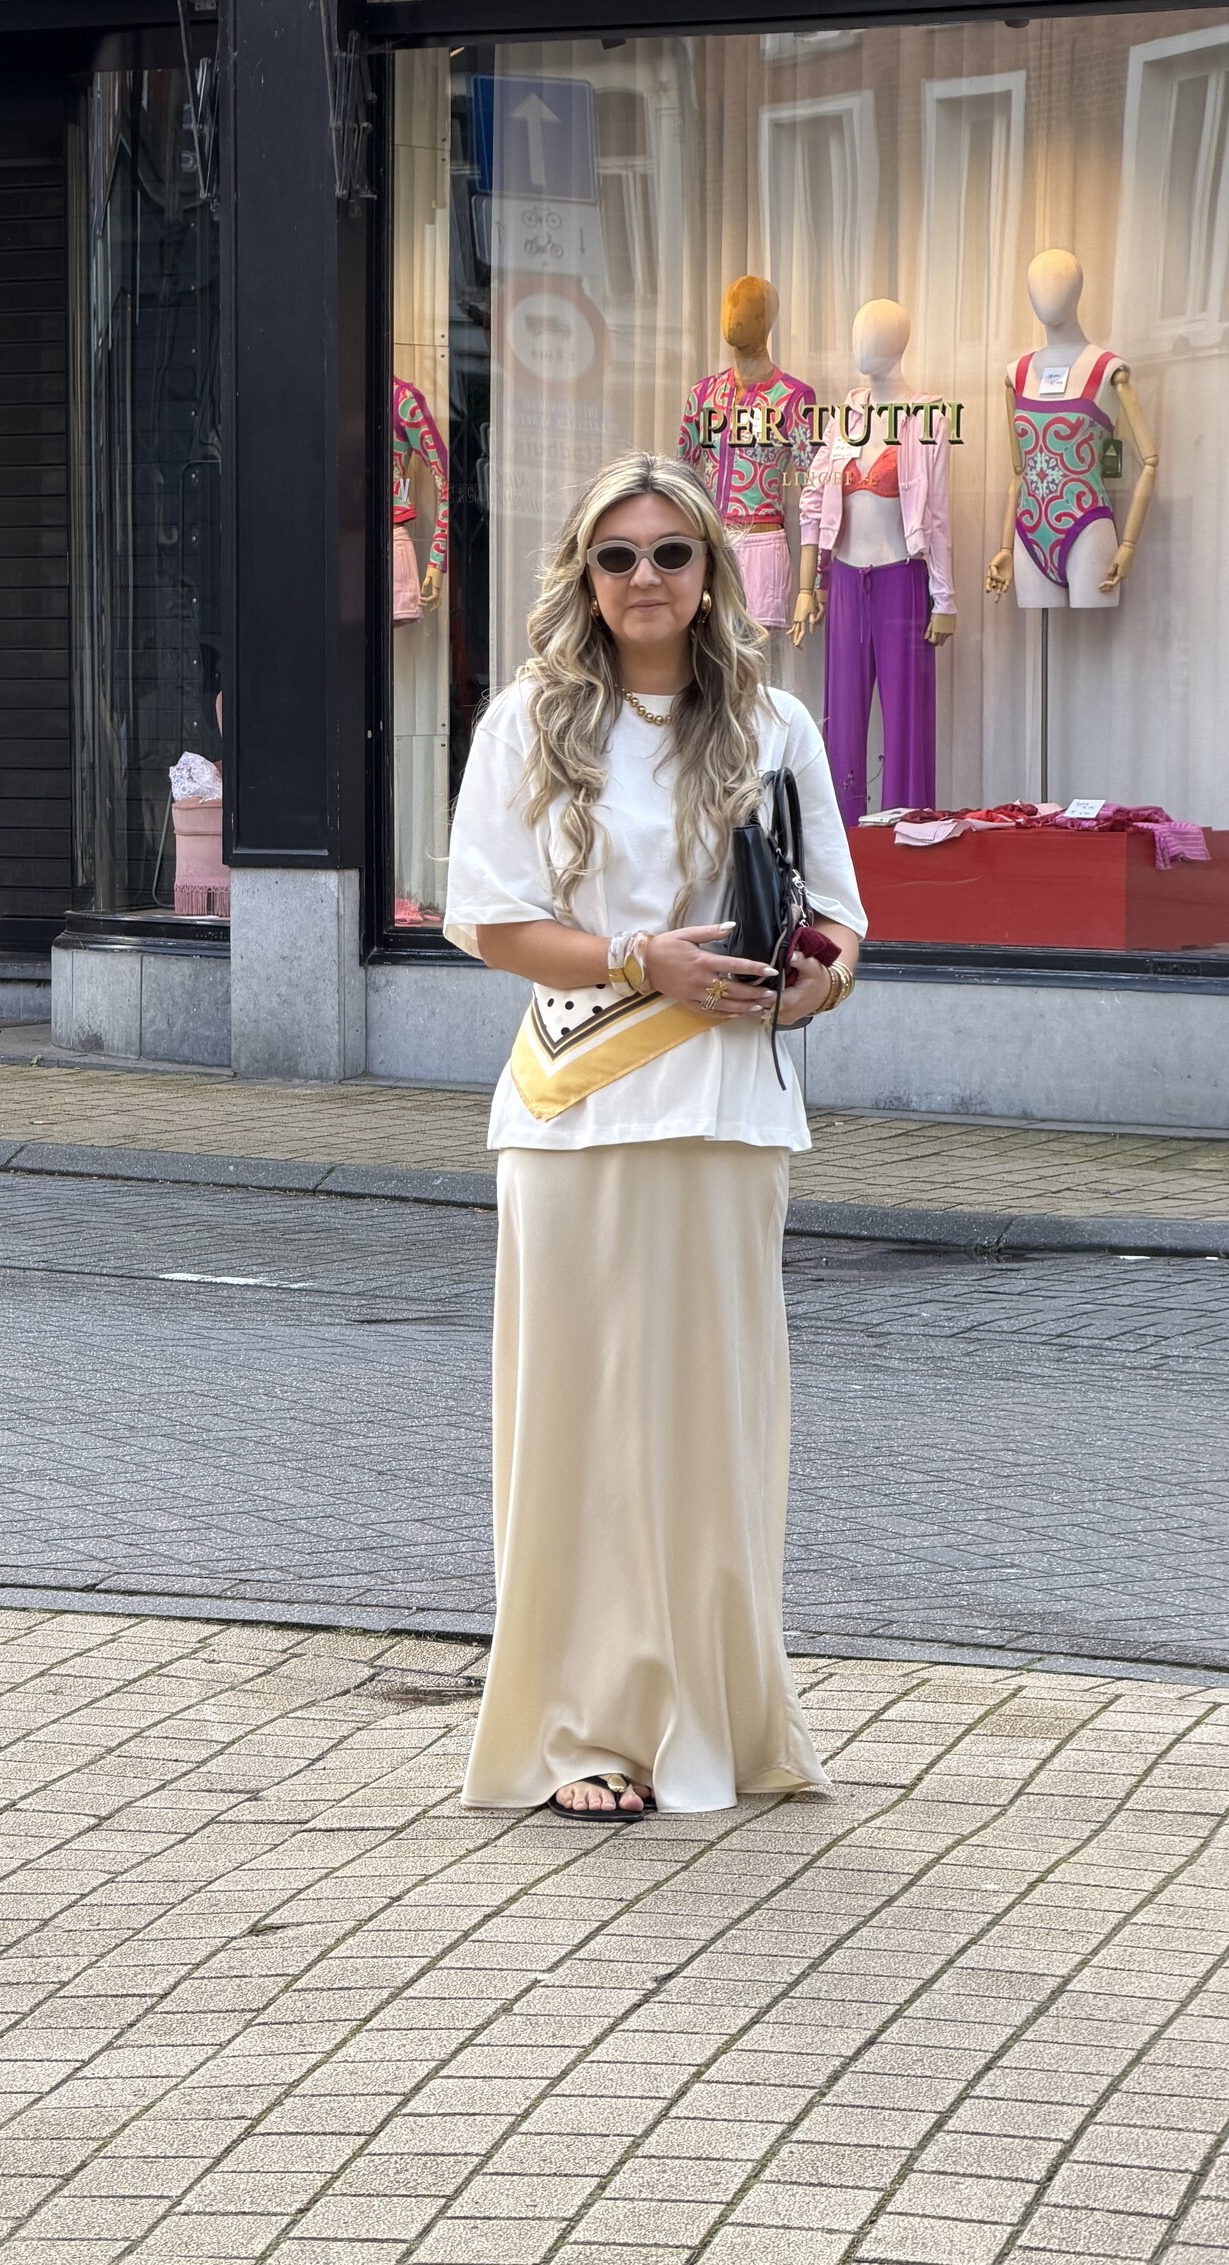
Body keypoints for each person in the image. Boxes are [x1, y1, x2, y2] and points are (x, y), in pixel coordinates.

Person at [444, 452, 865, 1821]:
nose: (643, 577)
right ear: (583, 572)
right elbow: (488, 921)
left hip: (731, 1112)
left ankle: (720, 1725)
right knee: (583, 1424)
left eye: (670, 554)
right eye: (616, 555)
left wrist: (811, 983)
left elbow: (840, 919)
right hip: (577, 1115)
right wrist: (642, 959)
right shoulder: (528, 722)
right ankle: (589, 1732)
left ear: (709, 572)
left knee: (714, 1428)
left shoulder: (776, 724)